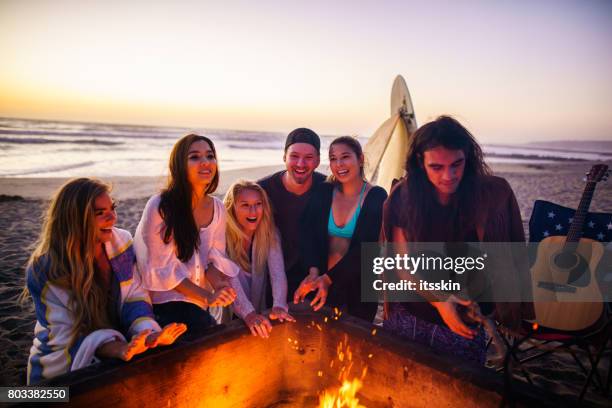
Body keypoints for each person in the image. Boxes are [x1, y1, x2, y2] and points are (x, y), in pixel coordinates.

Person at [381, 116, 532, 364]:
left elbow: (509, 254)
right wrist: (440, 302)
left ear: (468, 159)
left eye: (457, 164)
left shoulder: (491, 196)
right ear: (420, 163)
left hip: (467, 317)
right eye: (436, 167)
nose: (448, 176)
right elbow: (403, 266)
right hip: (411, 312)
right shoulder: (404, 197)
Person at [25, 178, 186, 384]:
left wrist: (148, 334)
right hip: (58, 366)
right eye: (100, 213)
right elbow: (69, 333)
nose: (112, 217)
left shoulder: (121, 243)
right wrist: (118, 348)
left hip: (118, 348)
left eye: (112, 208)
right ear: (75, 218)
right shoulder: (46, 269)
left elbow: (133, 296)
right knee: (17, 399)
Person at [134, 134, 237, 332]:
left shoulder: (217, 208)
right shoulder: (160, 206)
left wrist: (221, 288)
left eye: (210, 156)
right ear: (180, 164)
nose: (205, 162)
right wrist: (208, 296)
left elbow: (213, 260)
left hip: (198, 303)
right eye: (195, 157)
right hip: (165, 302)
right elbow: (160, 268)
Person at [294, 136, 388, 322]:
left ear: (360, 159)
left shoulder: (376, 196)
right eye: (333, 158)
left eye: (345, 157)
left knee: (353, 347)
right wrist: (313, 273)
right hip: (321, 286)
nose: (339, 164)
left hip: (358, 290)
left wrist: (327, 279)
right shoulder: (324, 192)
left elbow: (367, 248)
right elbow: (308, 234)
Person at [258, 128, 326, 297]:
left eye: (309, 158)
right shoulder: (262, 190)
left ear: (317, 161)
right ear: (284, 157)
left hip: (316, 275)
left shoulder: (328, 189)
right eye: (294, 156)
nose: (301, 164)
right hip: (271, 277)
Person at [224, 180, 295, 338]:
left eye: (258, 204)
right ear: (232, 207)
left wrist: (279, 306)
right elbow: (229, 279)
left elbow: (278, 273)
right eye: (245, 205)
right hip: (227, 309)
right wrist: (248, 314)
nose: (253, 211)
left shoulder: (269, 231)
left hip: (256, 306)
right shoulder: (223, 235)